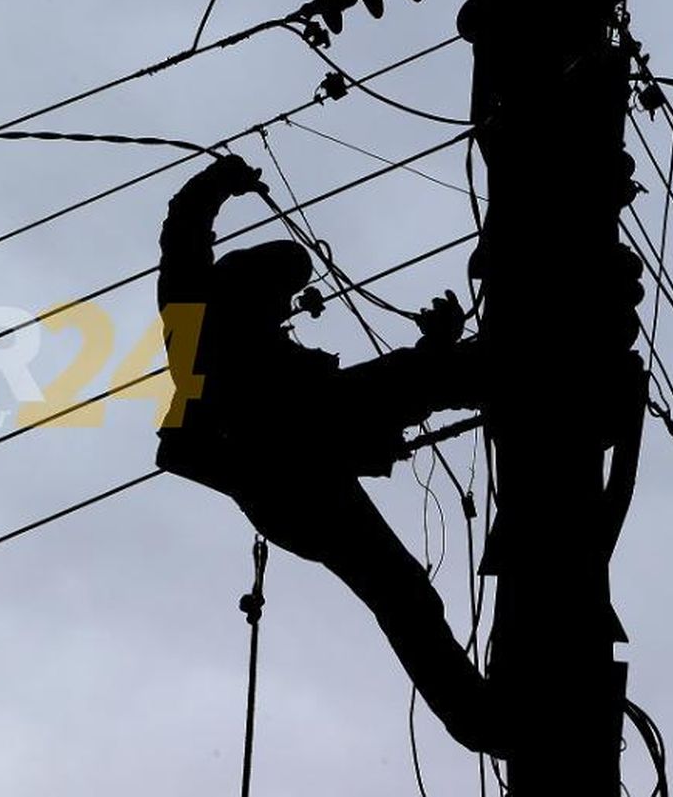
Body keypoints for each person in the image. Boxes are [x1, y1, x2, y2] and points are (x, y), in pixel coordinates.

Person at [154, 155, 504, 754]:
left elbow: (374, 399)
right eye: (274, 299)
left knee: (404, 591)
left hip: (304, 475)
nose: (283, 312)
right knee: (402, 591)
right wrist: (220, 181)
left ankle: (482, 723)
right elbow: (183, 230)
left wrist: (435, 355)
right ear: (245, 291)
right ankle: (482, 724)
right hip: (291, 474)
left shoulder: (263, 352)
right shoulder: (196, 326)